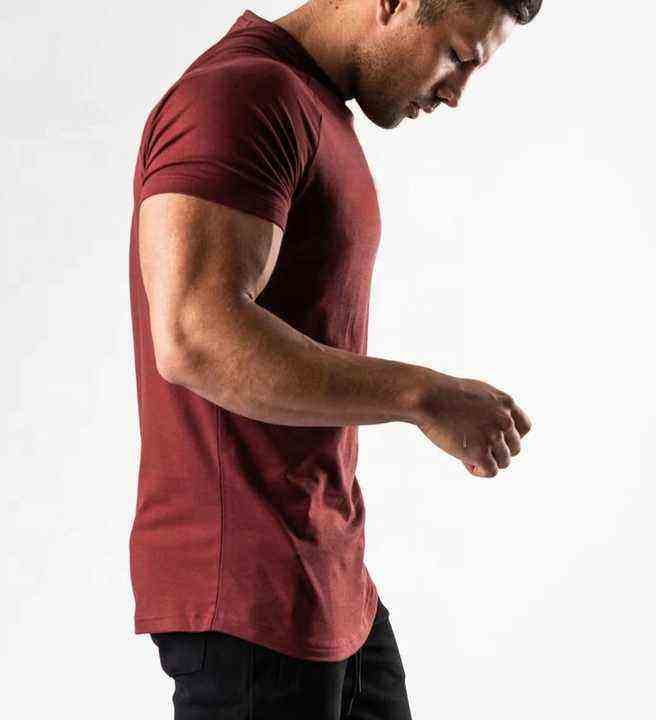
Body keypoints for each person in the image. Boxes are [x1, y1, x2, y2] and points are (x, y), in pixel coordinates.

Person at [128, 1, 540, 717]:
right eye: (457, 56)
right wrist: (424, 396)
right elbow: (195, 334)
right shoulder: (241, 95)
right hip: (250, 602)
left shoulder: (311, 105)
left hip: (329, 582)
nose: (455, 94)